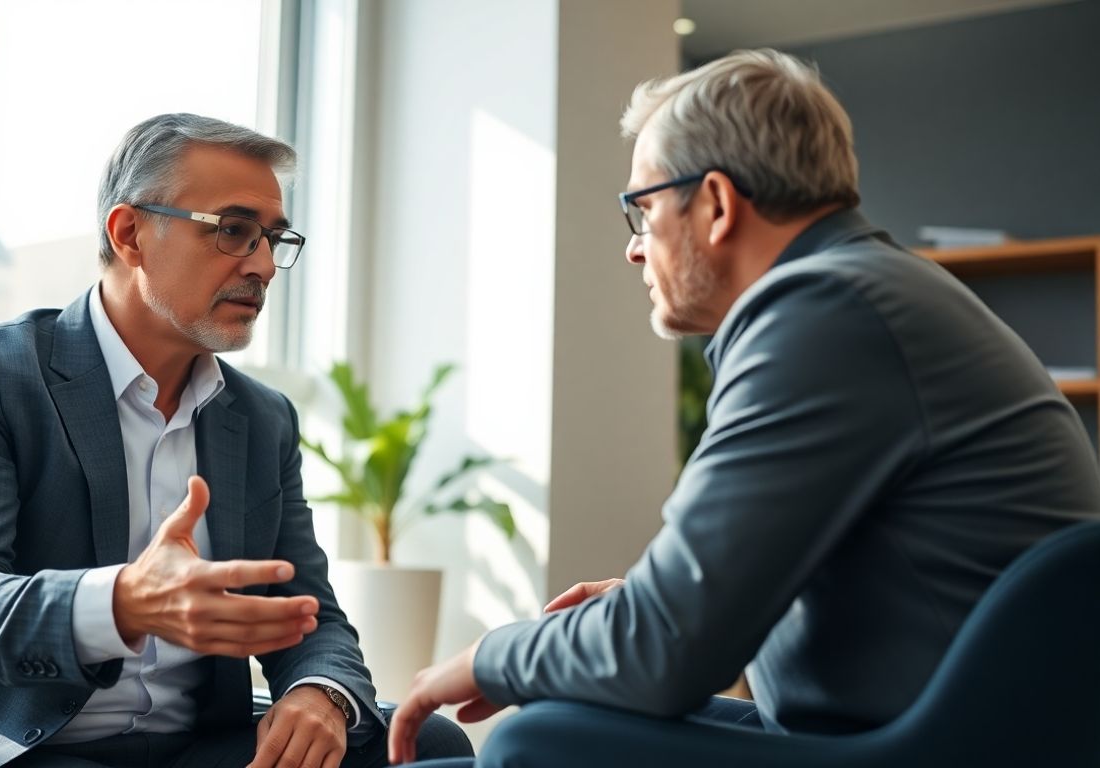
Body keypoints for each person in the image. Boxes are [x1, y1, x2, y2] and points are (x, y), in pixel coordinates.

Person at [386, 49, 1100, 767]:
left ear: (718, 205)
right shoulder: (868, 292)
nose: (636, 250)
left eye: (643, 209)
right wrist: (654, 596)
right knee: (552, 721)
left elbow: (668, 648)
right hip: (920, 731)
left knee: (531, 739)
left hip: (938, 750)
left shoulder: (825, 309)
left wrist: (491, 654)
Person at [0, 113, 472, 768]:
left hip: (188, 748)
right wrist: (125, 603)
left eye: (272, 238)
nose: (262, 264)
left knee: (426, 740)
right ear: (131, 233)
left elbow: (309, 614)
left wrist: (320, 694)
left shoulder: (261, 419)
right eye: (233, 230)